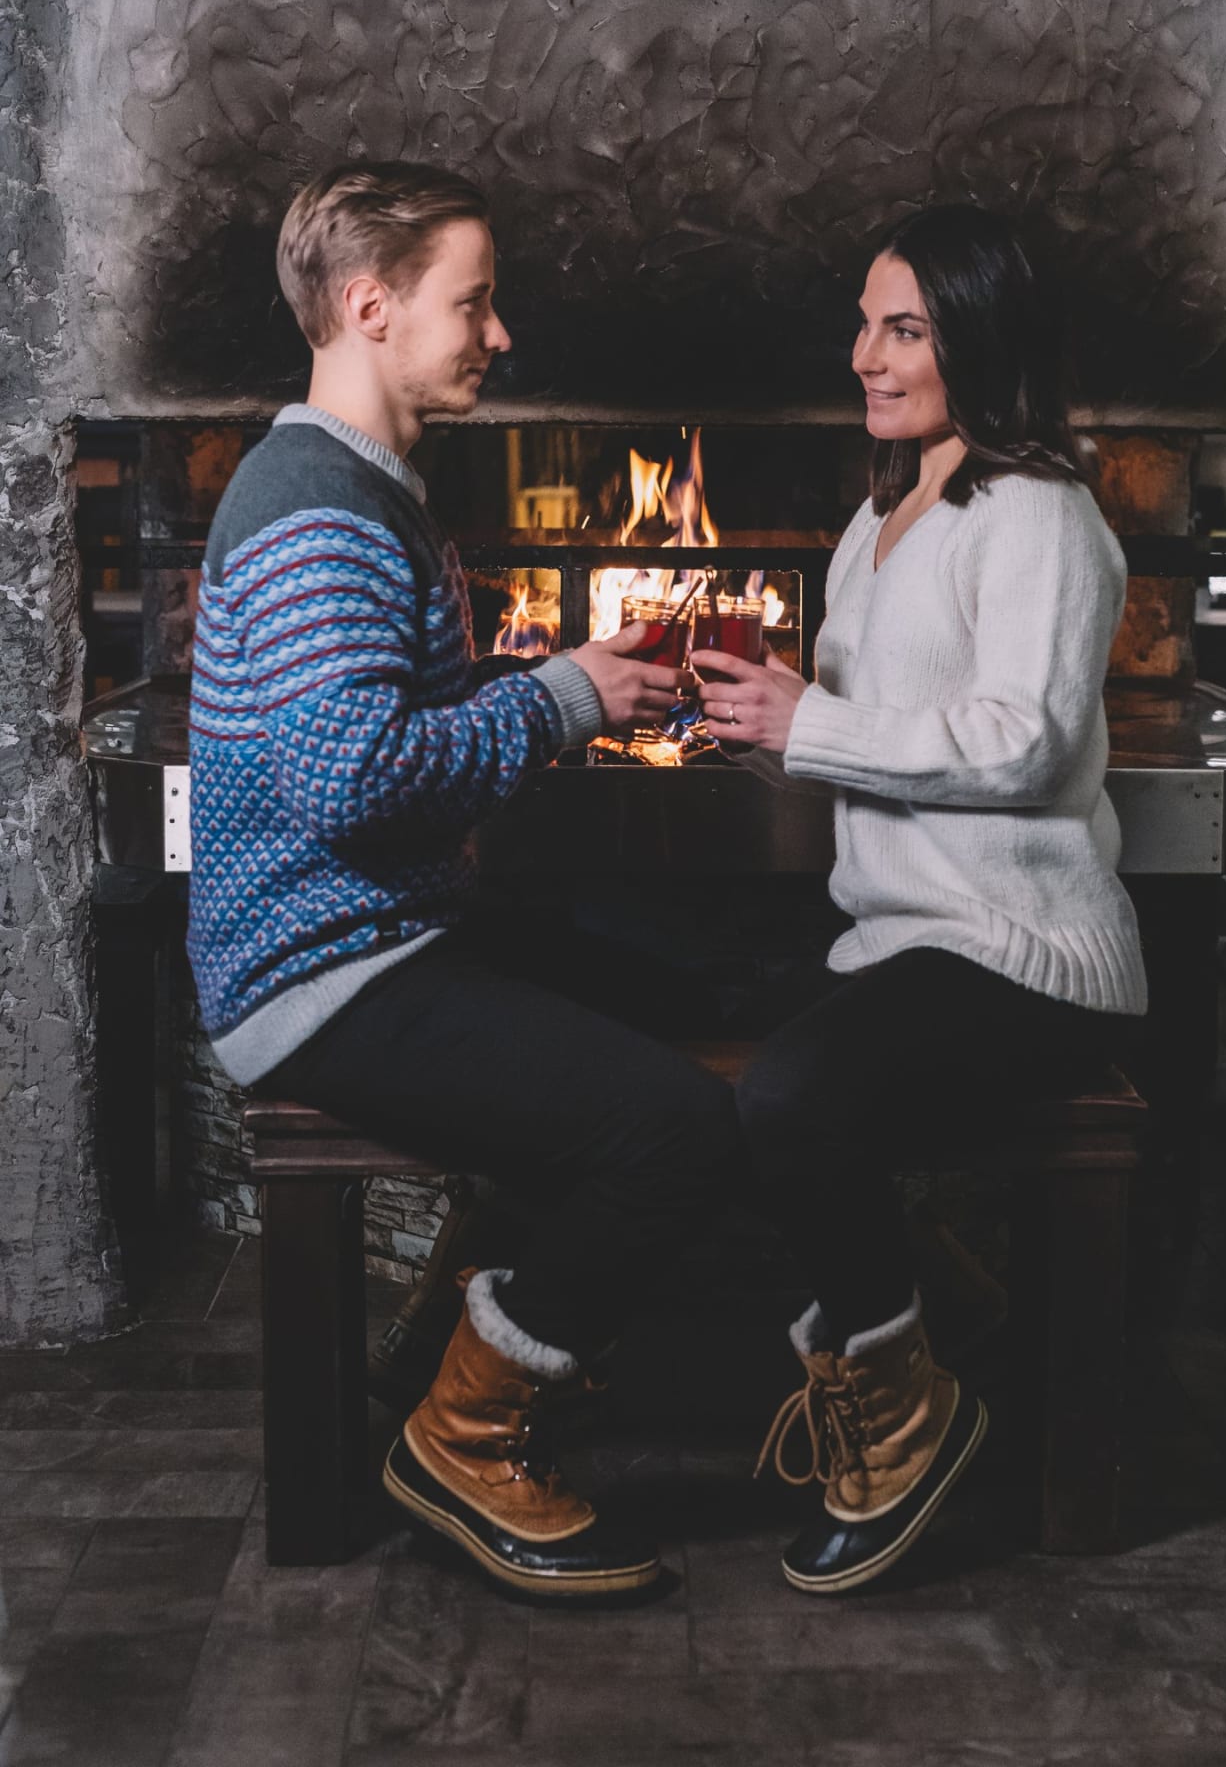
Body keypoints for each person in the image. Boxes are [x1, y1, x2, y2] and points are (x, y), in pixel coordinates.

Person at [187, 161, 739, 1600]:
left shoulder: (351, 486)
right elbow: (352, 776)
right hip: (317, 976)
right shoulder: (318, 509)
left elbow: (368, 721)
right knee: (673, 1128)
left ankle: (451, 1338)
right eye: (475, 302)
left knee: (683, 1005)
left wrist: (565, 682)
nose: (501, 336)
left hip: (372, 939)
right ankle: (465, 1434)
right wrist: (556, 698)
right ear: (371, 309)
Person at [693, 205, 1148, 1596]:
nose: (867, 357)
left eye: (905, 329)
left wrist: (810, 726)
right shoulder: (875, 520)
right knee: (657, 1025)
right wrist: (746, 721)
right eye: (866, 325)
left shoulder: (1038, 515)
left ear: (979, 341)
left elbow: (1021, 742)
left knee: (789, 1099)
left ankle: (901, 1418)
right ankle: (953, 1312)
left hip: (1024, 958)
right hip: (897, 945)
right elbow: (861, 735)